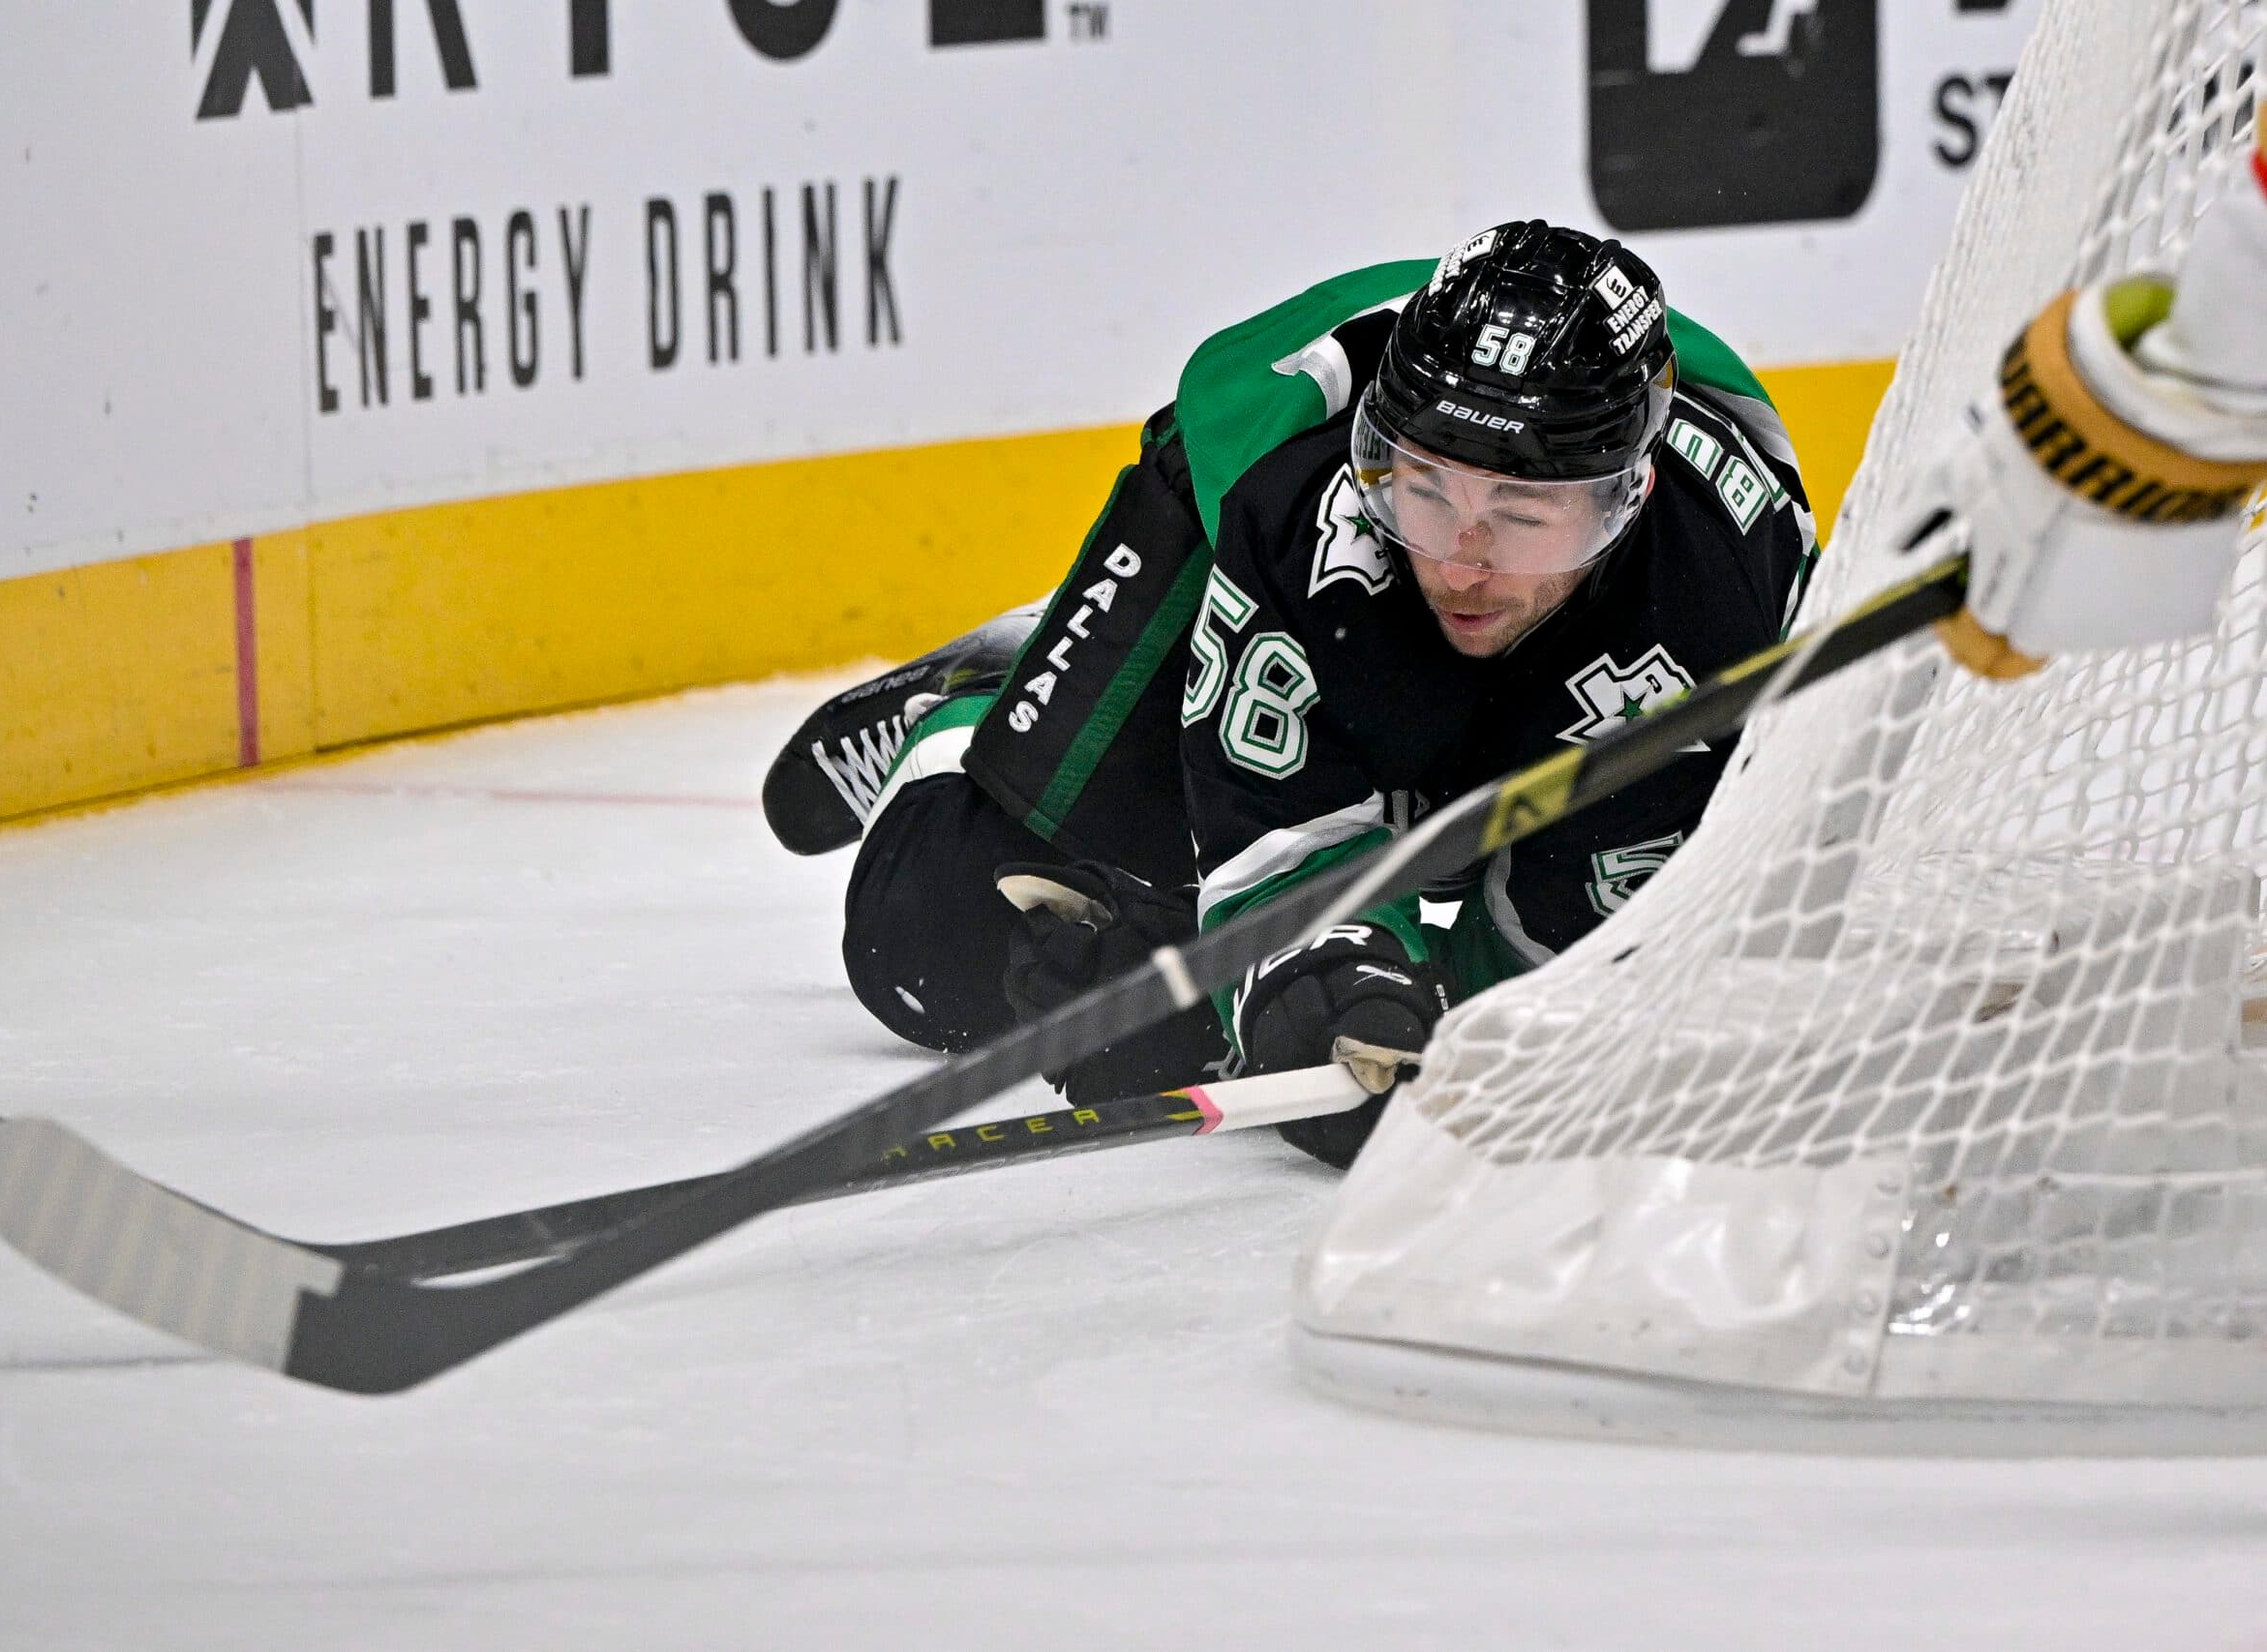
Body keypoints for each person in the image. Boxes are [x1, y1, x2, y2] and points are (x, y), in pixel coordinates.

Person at [763, 221, 1818, 1166]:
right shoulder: (1306, 514)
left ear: (1619, 499)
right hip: (1241, 504)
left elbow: (1549, 973)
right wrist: (1276, 984)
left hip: (1569, 652)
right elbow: (1287, 856)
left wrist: (1324, 1003)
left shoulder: (1717, 613)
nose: (1459, 560)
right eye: (1428, 489)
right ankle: (987, 687)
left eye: (1520, 514)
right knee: (928, 938)